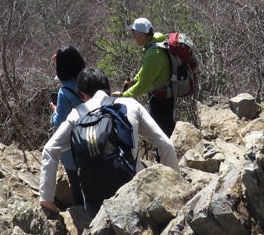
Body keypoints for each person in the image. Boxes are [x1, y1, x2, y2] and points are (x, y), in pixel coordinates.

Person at [39, 66, 179, 219]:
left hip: (97, 206)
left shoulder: (77, 114)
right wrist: (175, 189)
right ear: (107, 87)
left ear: (83, 94)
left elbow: (49, 150)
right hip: (134, 193)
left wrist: (47, 199)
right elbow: (165, 145)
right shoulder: (130, 104)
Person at [112, 17, 176, 137]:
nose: (132, 37)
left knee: (160, 134)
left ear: (141, 35)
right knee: (165, 128)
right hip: (165, 95)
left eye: (133, 33)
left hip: (161, 98)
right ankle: (166, 153)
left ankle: (163, 155)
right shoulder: (155, 42)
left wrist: (123, 96)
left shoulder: (153, 54)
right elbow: (146, 69)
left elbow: (143, 86)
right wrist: (134, 79)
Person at [48, 46, 86, 206]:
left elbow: (59, 122)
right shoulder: (88, 80)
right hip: (94, 137)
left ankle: (82, 215)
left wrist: (54, 112)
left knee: (76, 184)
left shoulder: (64, 92)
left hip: (73, 147)